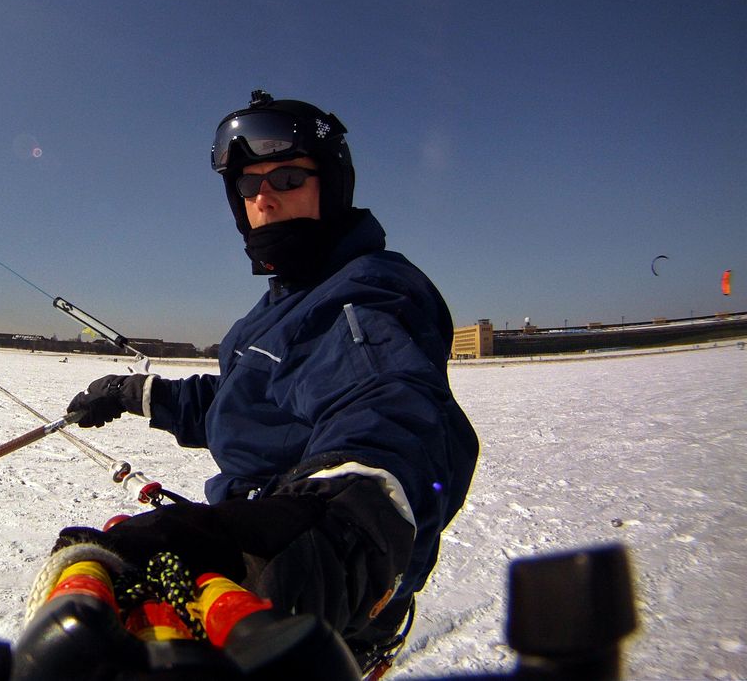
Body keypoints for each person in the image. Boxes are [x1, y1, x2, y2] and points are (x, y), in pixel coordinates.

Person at [61, 90, 479, 672]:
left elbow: (389, 409)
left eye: (287, 178)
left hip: (295, 602)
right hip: (245, 544)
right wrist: (133, 393)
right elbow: (243, 405)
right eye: (249, 185)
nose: (264, 198)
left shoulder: (364, 292)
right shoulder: (275, 308)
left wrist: (343, 529)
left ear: (330, 186)